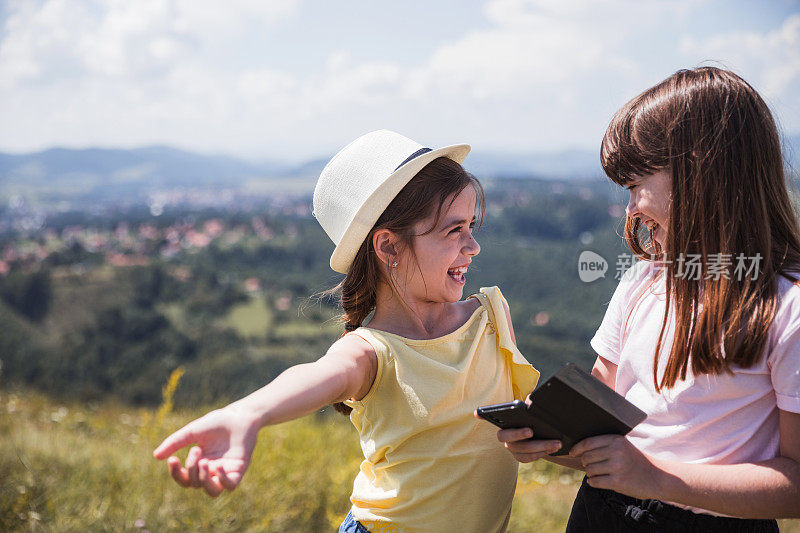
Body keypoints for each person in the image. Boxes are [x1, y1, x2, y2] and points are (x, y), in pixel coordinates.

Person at [152, 130, 540, 533]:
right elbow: (320, 374)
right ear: (388, 247)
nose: (473, 246)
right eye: (453, 230)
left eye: (471, 226)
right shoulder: (371, 351)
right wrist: (247, 413)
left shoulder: (492, 314)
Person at [498, 66, 800, 531]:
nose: (632, 208)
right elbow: (602, 419)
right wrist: (553, 439)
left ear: (703, 174)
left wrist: (656, 478)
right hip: (603, 511)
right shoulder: (644, 280)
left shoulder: (787, 307)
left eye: (638, 185)